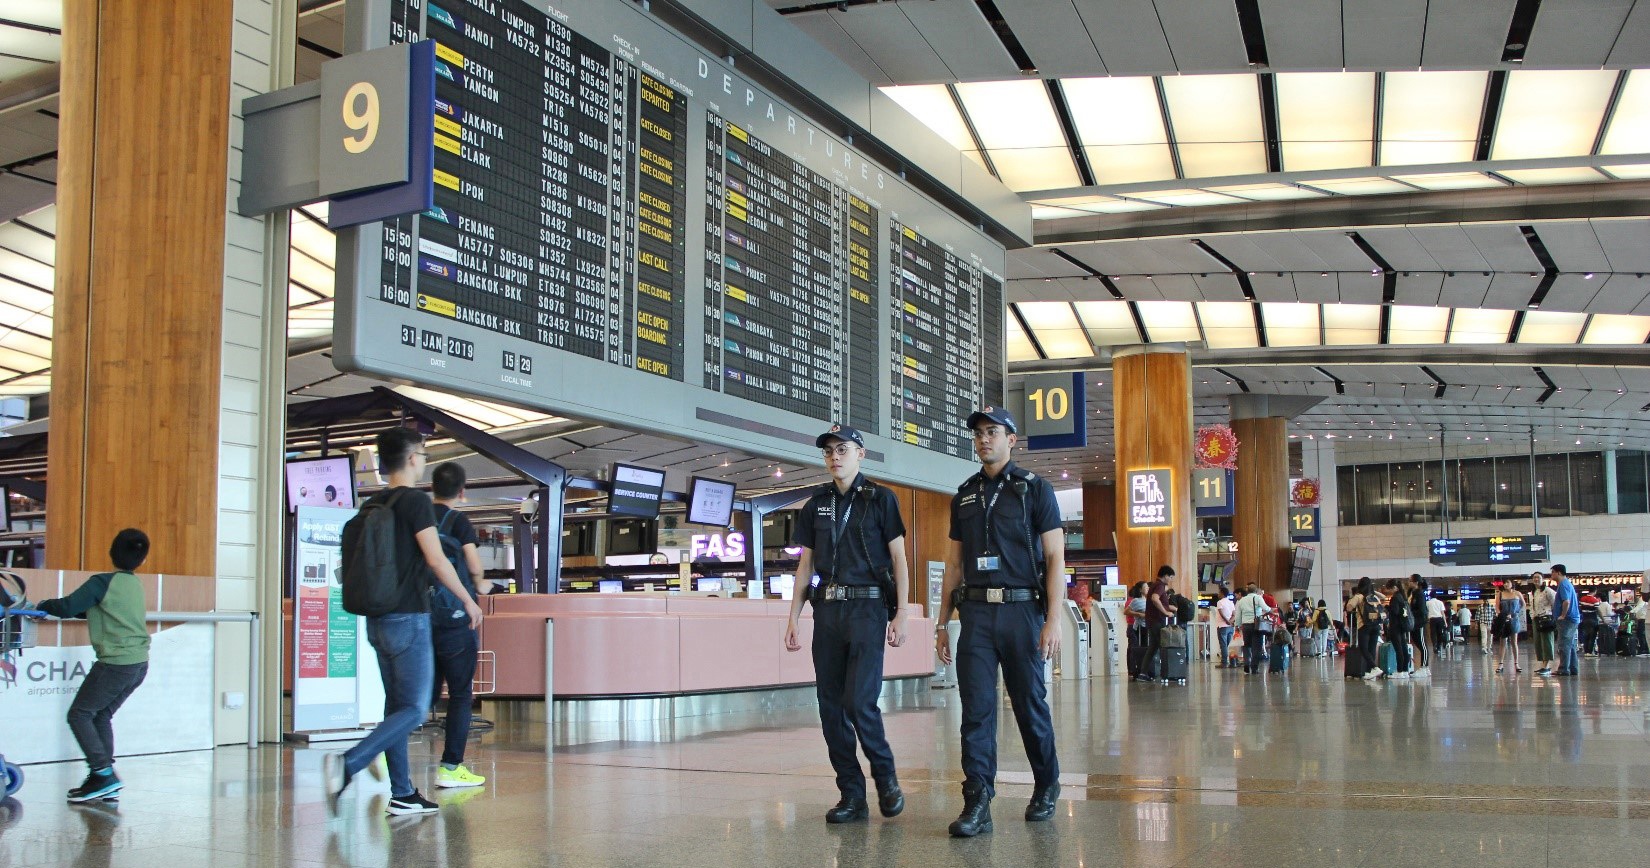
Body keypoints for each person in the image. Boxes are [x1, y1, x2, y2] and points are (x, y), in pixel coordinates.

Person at [326, 427, 483, 817]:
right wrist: (468, 599)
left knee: (396, 706)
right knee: (413, 709)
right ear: (413, 458)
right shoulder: (414, 502)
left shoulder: (372, 504)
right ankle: (349, 763)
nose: (423, 461)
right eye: (423, 455)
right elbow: (436, 560)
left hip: (376, 620)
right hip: (409, 619)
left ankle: (402, 792)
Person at [934, 406, 1063, 837]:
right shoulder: (965, 494)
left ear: (1012, 439)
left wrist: (1054, 621)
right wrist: (941, 622)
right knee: (976, 710)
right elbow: (953, 565)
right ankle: (977, 801)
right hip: (977, 616)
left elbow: (1055, 557)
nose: (983, 439)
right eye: (978, 433)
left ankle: (1046, 785)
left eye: (992, 432)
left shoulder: (1034, 490)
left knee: (1029, 705)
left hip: (1023, 611)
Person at [783, 424, 911, 824]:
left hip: (868, 611)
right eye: (828, 452)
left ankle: (885, 775)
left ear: (861, 454)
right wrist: (794, 616)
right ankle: (851, 794)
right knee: (830, 708)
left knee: (859, 702)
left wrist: (902, 611)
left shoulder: (880, 499)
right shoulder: (815, 504)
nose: (834, 457)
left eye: (843, 450)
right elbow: (806, 563)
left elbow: (898, 559)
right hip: (828, 613)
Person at [32, 529, 152, 802]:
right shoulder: (133, 584)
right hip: (138, 664)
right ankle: (103, 780)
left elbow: (67, 606)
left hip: (115, 664)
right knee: (100, 716)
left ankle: (103, 773)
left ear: (111, 553)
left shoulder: (101, 582)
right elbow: (88, 609)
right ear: (142, 560)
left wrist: (43, 605)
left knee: (79, 714)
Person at [429, 462, 495, 790]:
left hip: (421, 614)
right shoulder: (458, 520)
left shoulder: (420, 515)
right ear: (462, 492)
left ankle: (386, 748)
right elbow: (472, 562)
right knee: (459, 693)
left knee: (420, 693)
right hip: (456, 617)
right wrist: (479, 585)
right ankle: (451, 767)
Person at [1138, 566, 1176, 682]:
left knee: (1153, 647)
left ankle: (1143, 673)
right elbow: (1155, 599)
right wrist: (1165, 612)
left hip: (1152, 621)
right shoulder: (1160, 585)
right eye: (1170, 577)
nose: (1170, 580)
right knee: (1164, 646)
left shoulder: (1154, 585)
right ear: (1165, 575)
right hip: (1157, 621)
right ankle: (1168, 673)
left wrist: (1169, 608)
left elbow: (1156, 600)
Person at [1550, 564, 1580, 677]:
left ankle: (1563, 669)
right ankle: (1573, 668)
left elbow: (1566, 601)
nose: (1551, 574)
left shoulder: (1563, 584)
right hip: (1573, 619)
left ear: (1558, 573)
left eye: (1553, 572)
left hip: (1567, 619)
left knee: (1564, 644)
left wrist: (1562, 615)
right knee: (1570, 644)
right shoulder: (1567, 584)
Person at [1491, 580, 1524, 675]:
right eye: (1504, 583)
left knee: (1514, 642)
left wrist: (1515, 613)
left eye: (1507, 582)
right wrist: (1502, 615)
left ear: (1512, 584)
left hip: (1514, 619)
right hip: (1504, 619)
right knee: (1503, 642)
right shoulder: (1500, 594)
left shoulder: (1517, 593)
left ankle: (1516, 663)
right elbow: (1497, 607)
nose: (1505, 584)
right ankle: (1500, 663)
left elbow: (1523, 604)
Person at [1382, 579, 1413, 679]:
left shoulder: (1395, 598)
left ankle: (1399, 671)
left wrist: (1386, 607)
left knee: (1398, 649)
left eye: (1390, 588)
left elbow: (1394, 611)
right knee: (1403, 648)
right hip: (1402, 626)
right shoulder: (1402, 597)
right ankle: (1404, 670)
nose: (1388, 591)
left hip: (1395, 626)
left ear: (1395, 588)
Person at [1234, 585, 1268, 675]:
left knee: (1247, 645)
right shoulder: (1258, 598)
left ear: (1247, 591)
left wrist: (1237, 626)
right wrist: (1270, 610)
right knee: (1256, 648)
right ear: (1256, 591)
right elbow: (1266, 608)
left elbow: (1238, 616)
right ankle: (1254, 668)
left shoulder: (1242, 600)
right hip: (1256, 625)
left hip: (1245, 626)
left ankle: (1246, 664)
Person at [1530, 572, 1557, 676]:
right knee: (1538, 642)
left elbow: (1555, 604)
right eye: (1534, 577)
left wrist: (1552, 616)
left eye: (1538, 577)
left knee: (1546, 641)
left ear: (1543, 579)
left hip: (1546, 619)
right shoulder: (1534, 592)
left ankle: (1547, 666)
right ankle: (1543, 665)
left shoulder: (1548, 591)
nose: (1536, 579)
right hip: (1536, 619)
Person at [1408, 576, 1430, 677]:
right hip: (1415, 623)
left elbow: (1422, 610)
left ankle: (1424, 667)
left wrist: (1410, 612)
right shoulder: (1413, 593)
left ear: (1416, 582)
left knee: (1422, 645)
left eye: (1410, 580)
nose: (1408, 582)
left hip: (1419, 622)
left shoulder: (1419, 594)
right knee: (1419, 643)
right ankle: (1424, 667)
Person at [1212, 590, 1236, 667]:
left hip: (1222, 626)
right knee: (1226, 645)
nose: (1218, 594)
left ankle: (1224, 662)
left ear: (1222, 594)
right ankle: (1227, 660)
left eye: (1219, 593)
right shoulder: (1231, 602)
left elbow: (1221, 613)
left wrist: (1226, 621)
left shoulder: (1220, 602)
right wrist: (1230, 621)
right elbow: (1234, 614)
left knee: (1223, 645)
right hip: (1230, 627)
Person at [1579, 589, 1602, 657]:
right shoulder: (1595, 600)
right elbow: (1598, 611)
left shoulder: (1582, 599)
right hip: (1593, 619)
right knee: (1592, 636)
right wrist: (1603, 619)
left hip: (1584, 619)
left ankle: (1586, 652)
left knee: (1586, 635)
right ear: (1595, 591)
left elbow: (1580, 609)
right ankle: (1590, 652)